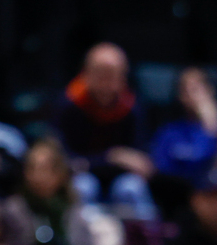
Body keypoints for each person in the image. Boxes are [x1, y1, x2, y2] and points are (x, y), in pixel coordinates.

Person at [0, 137, 102, 245]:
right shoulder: (14, 210)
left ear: (59, 173)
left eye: (44, 169)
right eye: (32, 168)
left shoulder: (72, 206)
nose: (37, 176)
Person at [53, 43, 152, 213]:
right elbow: (63, 157)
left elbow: (141, 160)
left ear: (123, 77)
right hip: (83, 177)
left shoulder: (132, 108)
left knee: (131, 187)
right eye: (100, 73)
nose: (106, 82)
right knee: (83, 186)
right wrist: (111, 157)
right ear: (86, 73)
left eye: (112, 74)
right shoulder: (69, 104)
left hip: (120, 179)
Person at [148, 67, 217, 212]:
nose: (190, 94)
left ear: (210, 91)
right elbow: (161, 170)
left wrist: (212, 124)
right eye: (184, 89)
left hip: (212, 202)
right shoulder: (169, 131)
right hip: (174, 202)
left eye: (196, 88)